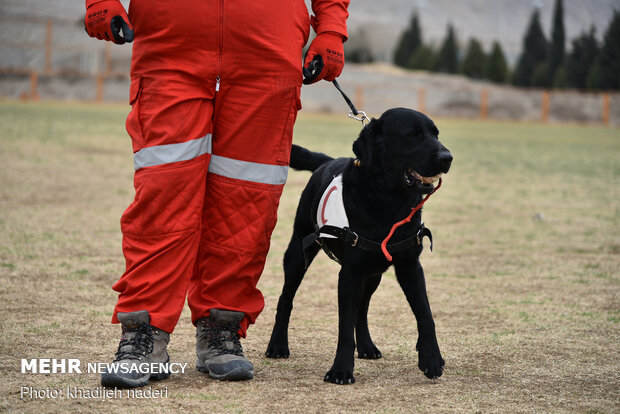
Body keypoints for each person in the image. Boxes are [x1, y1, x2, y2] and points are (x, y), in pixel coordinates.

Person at [84, 0, 349, 387]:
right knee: (162, 194)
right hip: (170, 50)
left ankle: (221, 326)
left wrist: (330, 30)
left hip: (268, 58)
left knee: (246, 202)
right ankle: (144, 332)